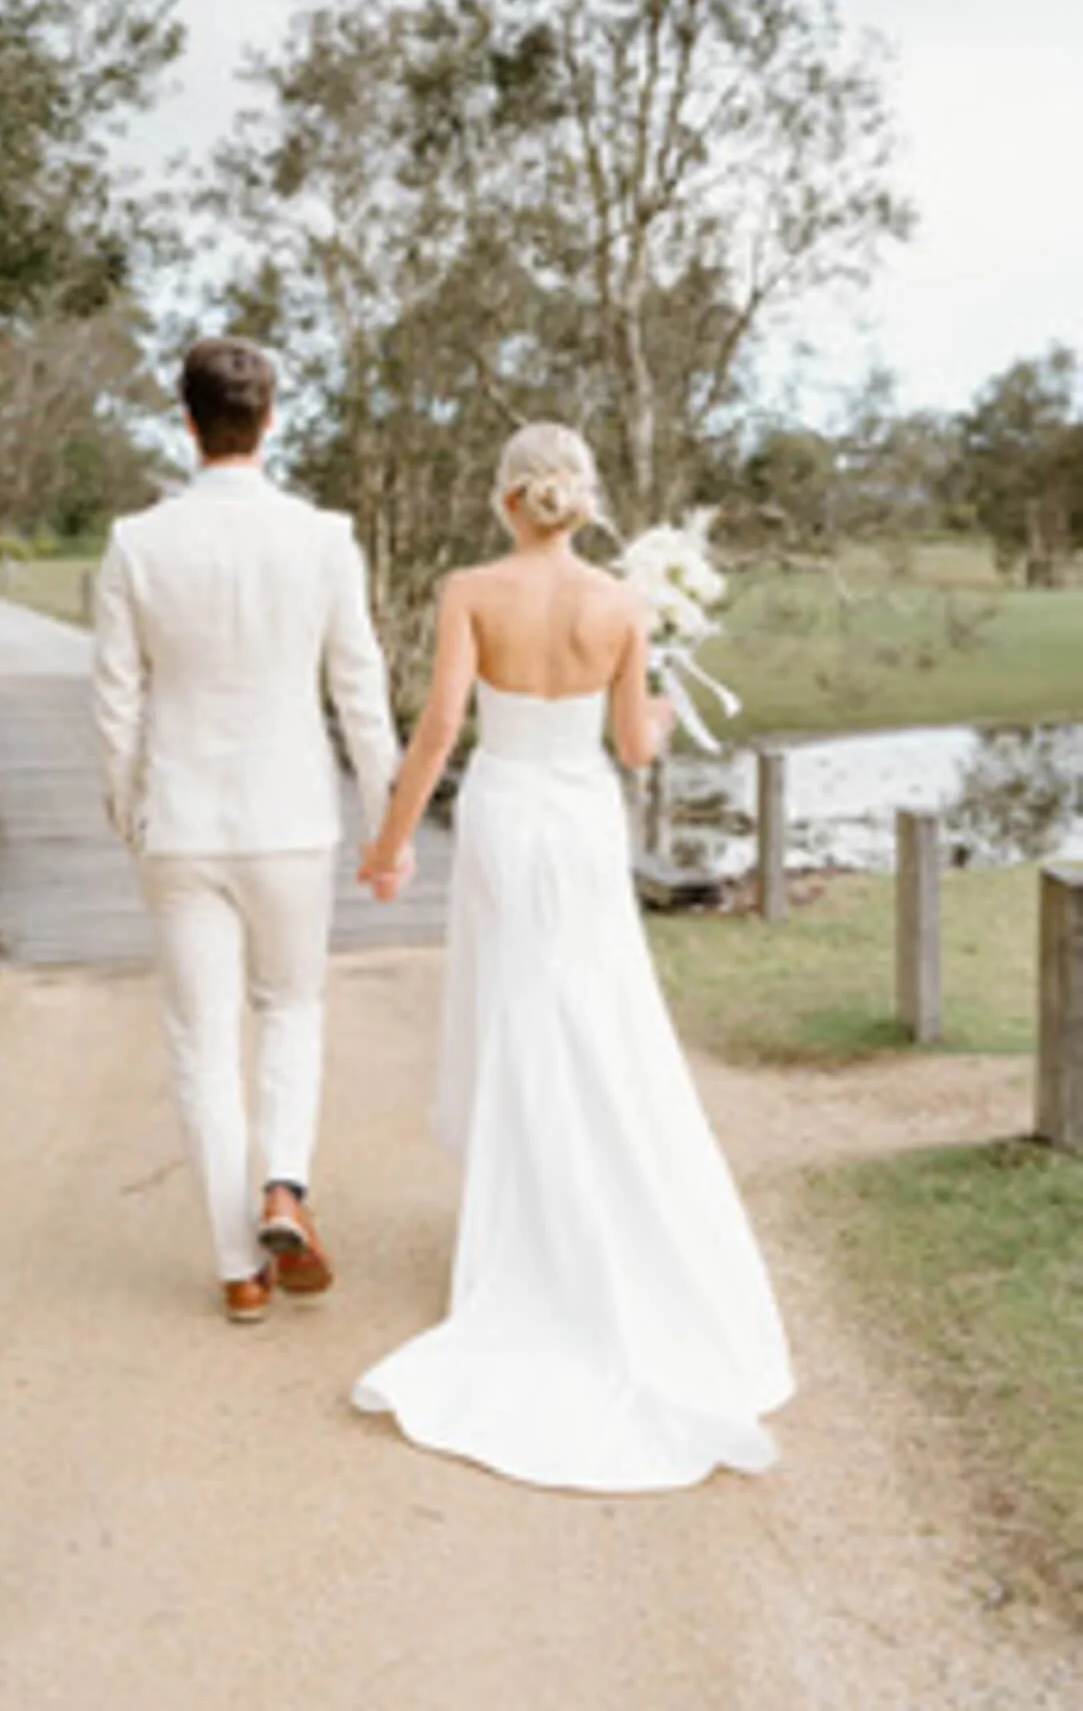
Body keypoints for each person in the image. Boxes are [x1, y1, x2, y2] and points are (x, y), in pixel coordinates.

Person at [352, 423, 794, 1490]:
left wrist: (388, 839)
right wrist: (664, 698)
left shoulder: (469, 589)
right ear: (578, 501)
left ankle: (535, 1222)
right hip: (581, 818)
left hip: (504, 812)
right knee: (592, 1007)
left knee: (517, 1010)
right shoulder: (622, 605)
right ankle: (596, 1211)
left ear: (506, 498)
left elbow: (440, 728)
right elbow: (634, 746)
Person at [93, 338, 401, 1324]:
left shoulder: (135, 543)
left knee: (198, 1045)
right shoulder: (323, 538)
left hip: (178, 820)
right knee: (291, 1008)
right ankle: (283, 1183)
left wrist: (125, 812)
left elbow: (114, 703)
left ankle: (238, 1267)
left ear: (185, 424)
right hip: (289, 819)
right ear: (267, 422)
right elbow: (360, 689)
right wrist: (383, 819)